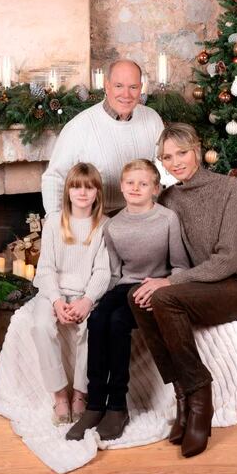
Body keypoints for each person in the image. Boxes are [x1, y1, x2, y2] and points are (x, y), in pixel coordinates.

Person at [129, 123, 237, 458]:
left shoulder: (230, 188)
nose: (175, 162)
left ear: (196, 149)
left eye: (181, 153)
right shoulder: (170, 198)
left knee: (165, 295)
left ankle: (199, 394)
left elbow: (230, 258)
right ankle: (182, 395)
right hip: (201, 284)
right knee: (137, 296)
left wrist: (172, 282)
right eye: (167, 157)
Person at [66, 159, 189, 442]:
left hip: (154, 287)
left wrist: (164, 286)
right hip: (123, 287)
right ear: (121, 187)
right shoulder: (114, 225)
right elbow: (112, 273)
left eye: (143, 184)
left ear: (156, 189)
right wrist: (93, 300)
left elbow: (180, 265)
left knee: (120, 322)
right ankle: (95, 404)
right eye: (130, 183)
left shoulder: (167, 219)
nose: (136, 188)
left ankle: (117, 406)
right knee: (98, 319)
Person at [26, 162, 111, 424]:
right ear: (68, 191)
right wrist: (56, 301)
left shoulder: (105, 225)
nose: (82, 193)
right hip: (53, 293)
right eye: (76, 187)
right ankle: (60, 394)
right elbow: (46, 267)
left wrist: (87, 300)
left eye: (89, 187)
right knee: (40, 325)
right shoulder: (54, 222)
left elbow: (103, 271)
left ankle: (80, 393)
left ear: (97, 192)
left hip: (86, 294)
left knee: (92, 328)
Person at [41, 59, 164, 215]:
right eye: (119, 86)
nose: (126, 94)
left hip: (144, 214)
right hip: (99, 221)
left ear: (140, 88)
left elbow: (165, 170)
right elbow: (55, 177)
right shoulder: (79, 127)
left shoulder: (152, 119)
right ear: (107, 85)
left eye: (133, 87)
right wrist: (55, 221)